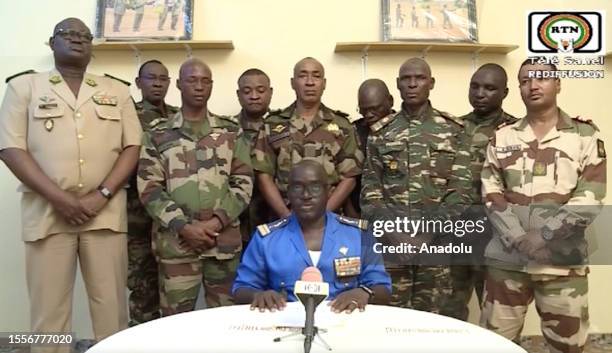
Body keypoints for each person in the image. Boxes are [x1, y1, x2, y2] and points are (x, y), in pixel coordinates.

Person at [0, 18, 142, 352]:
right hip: (47, 214)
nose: (78, 40)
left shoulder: (117, 90)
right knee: (48, 315)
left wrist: (102, 194)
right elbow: (10, 148)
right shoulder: (24, 88)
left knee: (111, 310)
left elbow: (132, 147)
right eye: (68, 35)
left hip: (104, 215)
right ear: (51, 44)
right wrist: (60, 199)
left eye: (85, 36)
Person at [480, 59, 606, 353]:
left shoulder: (585, 136)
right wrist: (518, 237)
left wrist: (545, 234)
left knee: (568, 348)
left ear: (558, 84)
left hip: (562, 263)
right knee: (493, 346)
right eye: (525, 80)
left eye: (541, 79)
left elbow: (590, 196)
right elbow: (490, 191)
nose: (533, 86)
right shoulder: (502, 136)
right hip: (508, 262)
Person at [138, 58, 253, 316]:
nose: (199, 86)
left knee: (227, 322)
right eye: (192, 80)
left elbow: (243, 182)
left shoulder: (230, 132)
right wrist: (185, 227)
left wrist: (215, 223)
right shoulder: (157, 134)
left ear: (211, 86)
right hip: (177, 246)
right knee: (174, 324)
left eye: (205, 81)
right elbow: (149, 188)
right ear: (178, 84)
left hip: (222, 245)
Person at [360, 57, 473, 314]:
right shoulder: (381, 132)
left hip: (437, 247)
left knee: (436, 321)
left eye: (419, 78)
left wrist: (424, 237)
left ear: (431, 83)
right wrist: (396, 236)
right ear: (397, 85)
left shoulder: (454, 130)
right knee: (389, 318)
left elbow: (460, 191)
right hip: (391, 247)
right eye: (406, 79)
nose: (412, 84)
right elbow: (370, 192)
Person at [233, 160, 391, 313]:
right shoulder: (266, 239)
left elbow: (382, 288)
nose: (306, 195)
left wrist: (364, 293)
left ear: (328, 191)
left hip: (344, 323)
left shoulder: (358, 235)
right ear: (288, 192)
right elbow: (241, 289)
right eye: (297, 187)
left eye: (315, 187)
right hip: (283, 323)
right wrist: (258, 295)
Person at [441, 63, 518, 321]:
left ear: (505, 93)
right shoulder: (454, 128)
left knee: (498, 312)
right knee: (449, 309)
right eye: (475, 86)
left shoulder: (516, 132)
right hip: (457, 234)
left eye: (489, 88)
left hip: (496, 235)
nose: (480, 93)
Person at [252, 57, 363, 220]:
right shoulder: (272, 124)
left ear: (324, 83)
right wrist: (285, 215)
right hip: (283, 219)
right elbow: (263, 175)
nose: (309, 82)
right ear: (292, 83)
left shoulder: (342, 126)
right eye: (303, 76)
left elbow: (350, 176)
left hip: (329, 219)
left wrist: (323, 214)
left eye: (316, 76)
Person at [127, 59, 178, 326]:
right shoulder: (128, 114)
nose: (157, 83)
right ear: (138, 83)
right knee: (143, 283)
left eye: (163, 78)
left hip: (175, 214)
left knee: (172, 284)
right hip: (139, 216)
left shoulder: (179, 116)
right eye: (151, 78)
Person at [234, 68, 274, 245]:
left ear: (270, 92)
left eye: (260, 90)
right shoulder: (225, 130)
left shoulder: (283, 127)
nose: (254, 96)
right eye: (247, 91)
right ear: (238, 94)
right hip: (237, 222)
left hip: (275, 216)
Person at [346, 79, 394, 218]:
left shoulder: (405, 129)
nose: (369, 115)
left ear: (390, 101)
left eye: (375, 108)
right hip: (359, 214)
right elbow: (346, 176)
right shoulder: (354, 132)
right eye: (364, 109)